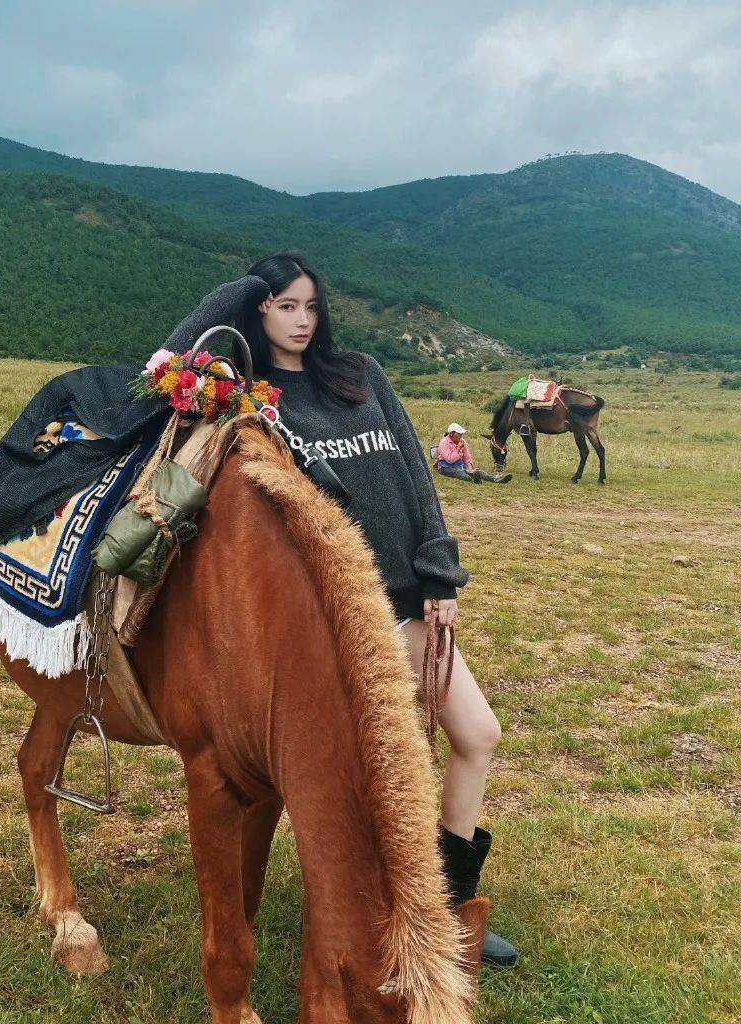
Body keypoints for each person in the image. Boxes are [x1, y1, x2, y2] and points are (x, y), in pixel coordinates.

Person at [233, 251, 518, 969]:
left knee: (477, 735)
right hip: (334, 613)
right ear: (257, 309)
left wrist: (440, 575)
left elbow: (414, 478)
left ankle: (452, 908)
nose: (302, 320)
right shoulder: (251, 399)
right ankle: (386, 911)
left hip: (407, 597)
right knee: (369, 775)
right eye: (283, 305)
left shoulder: (359, 374)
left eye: (310, 305)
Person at [437, 423, 512, 484]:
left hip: (459, 466)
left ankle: (496, 479)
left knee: (478, 472)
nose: (461, 435)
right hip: (445, 467)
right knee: (463, 475)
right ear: (451, 434)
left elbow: (467, 456)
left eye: (461, 434)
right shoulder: (444, 443)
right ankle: (475, 480)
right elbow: (450, 460)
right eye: (459, 434)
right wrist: (458, 448)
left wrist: (470, 467)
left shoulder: (462, 441)